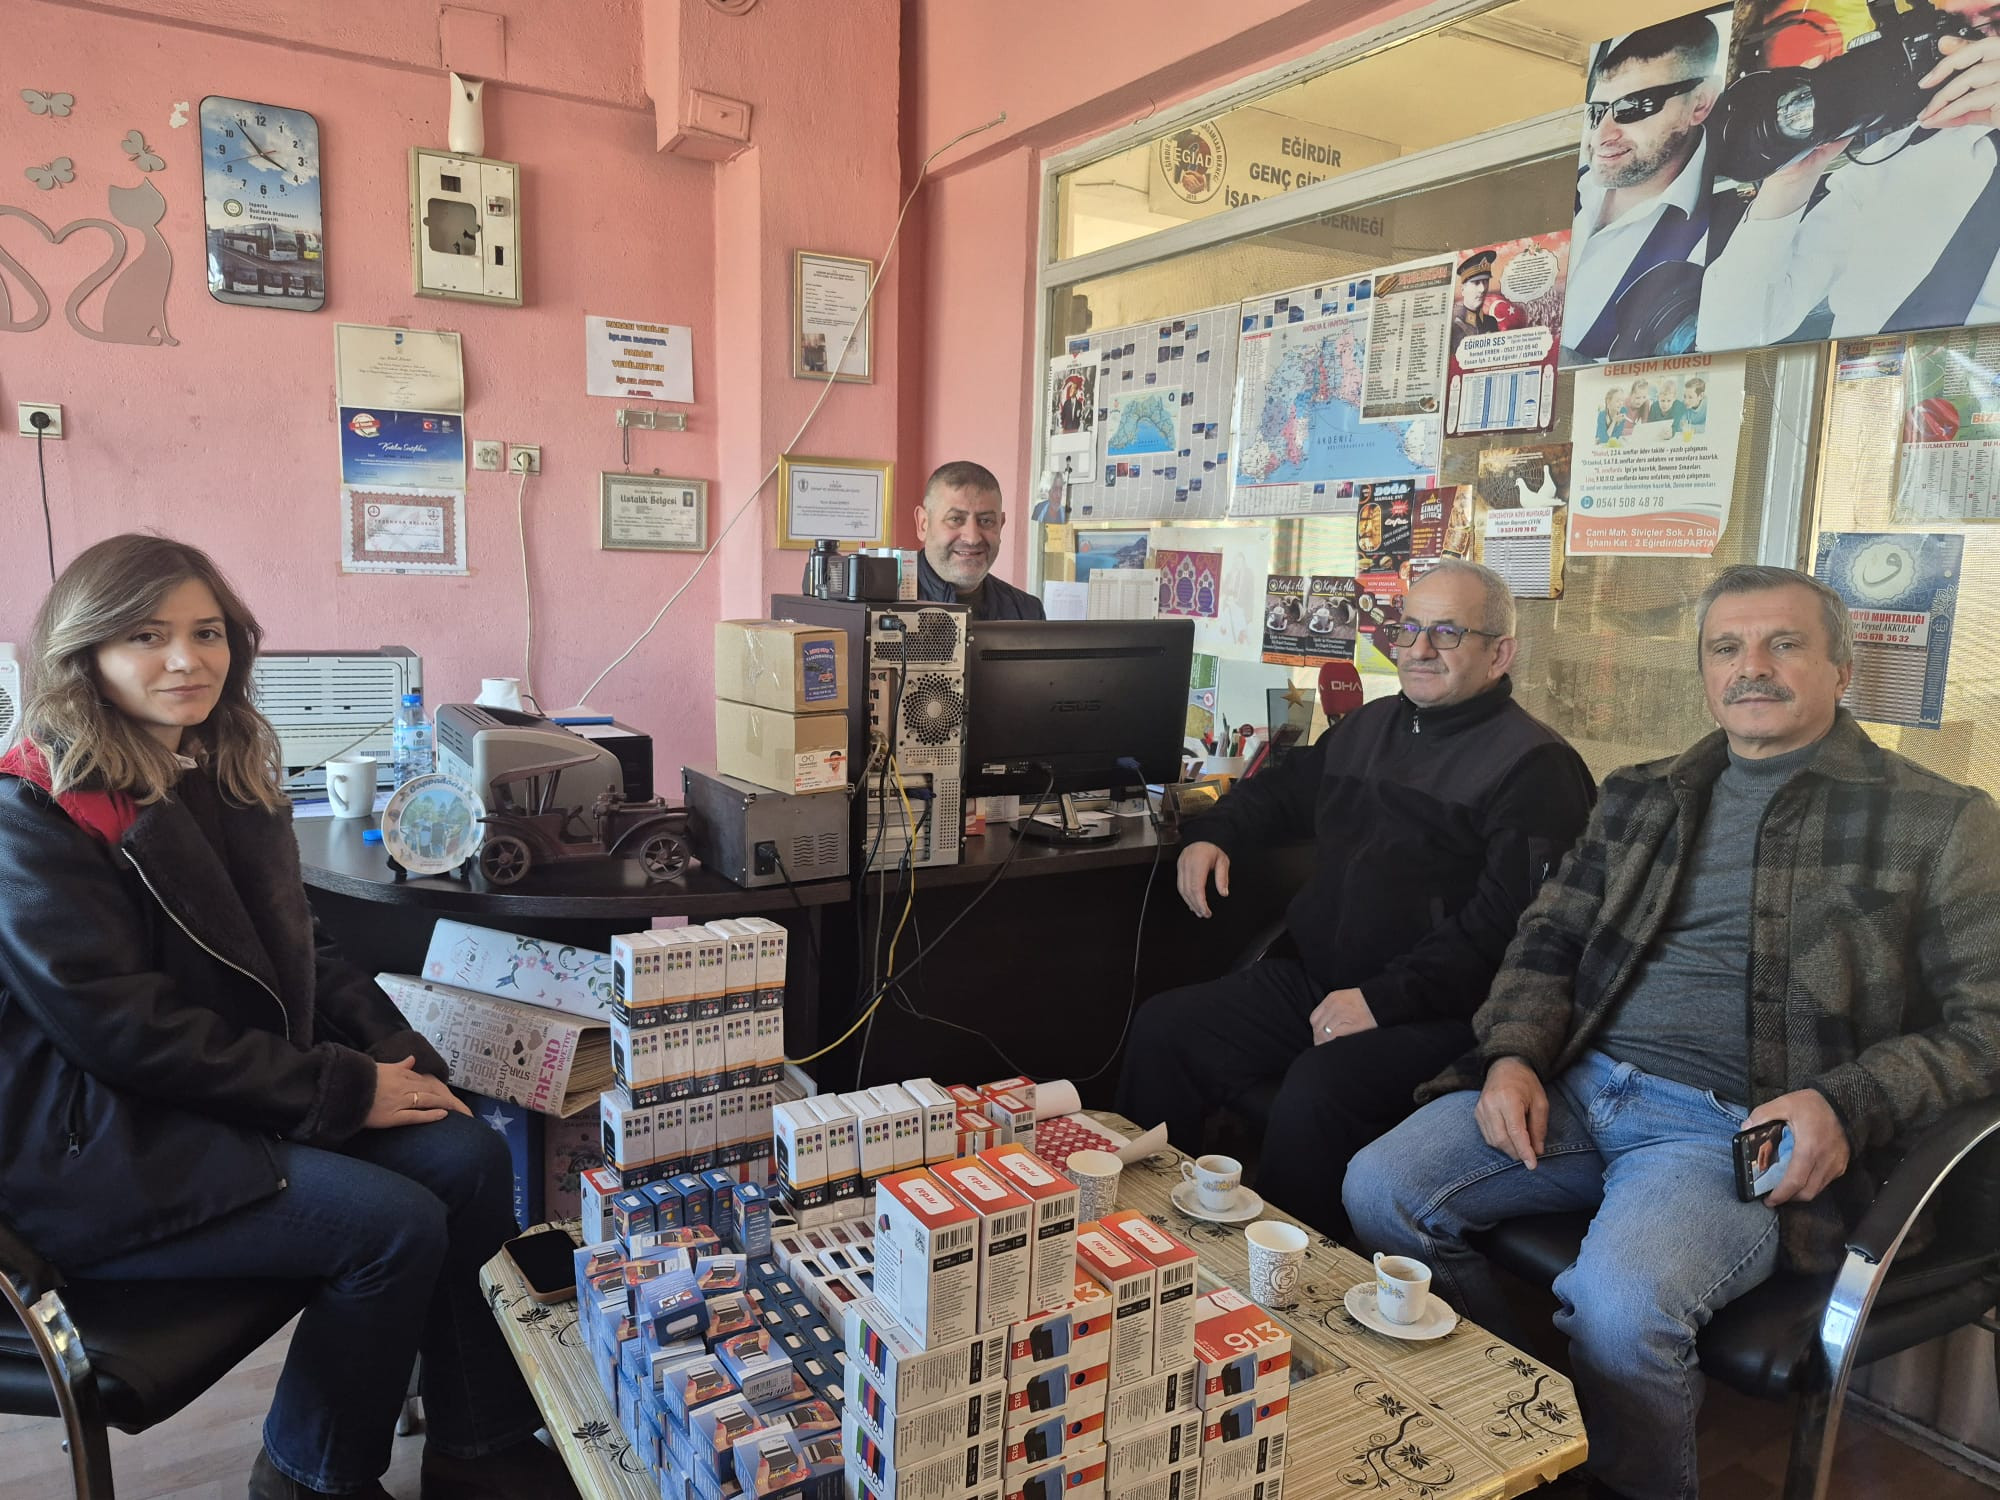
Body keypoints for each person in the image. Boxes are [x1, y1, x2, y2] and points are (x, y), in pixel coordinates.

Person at [1344, 565, 2000, 1500]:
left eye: (1784, 644)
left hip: (1728, 1131)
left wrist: (1846, 1100)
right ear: (1705, 672)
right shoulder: (1642, 794)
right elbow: (1548, 938)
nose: (1751, 666)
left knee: (1621, 1314)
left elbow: (1988, 1022)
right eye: (1727, 647)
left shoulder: (1940, 820)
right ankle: (1519, 1429)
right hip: (1580, 1084)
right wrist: (1513, 1055)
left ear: (1842, 670)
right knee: (1381, 1188)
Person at [0, 535, 576, 1500]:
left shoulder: (211, 768)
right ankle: (309, 1478)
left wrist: (396, 1056)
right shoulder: (37, 807)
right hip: (100, 1149)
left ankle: (479, 1445)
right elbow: (121, 1028)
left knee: (468, 1156)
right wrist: (341, 1091)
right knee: (391, 1226)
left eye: (207, 633)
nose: (186, 659)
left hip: (210, 1103)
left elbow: (307, 946)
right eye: (146, 635)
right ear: (83, 651)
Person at [1115, 561, 1595, 1237]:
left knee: (1320, 1090)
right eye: (1408, 629)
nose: (1419, 649)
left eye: (1447, 632)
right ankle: (1142, 1231)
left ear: (1499, 653)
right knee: (1168, 1029)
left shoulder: (1535, 767)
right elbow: (1279, 791)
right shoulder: (1371, 726)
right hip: (1323, 982)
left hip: (1446, 1014)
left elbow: (1507, 932)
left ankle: (1288, 1278)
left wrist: (1381, 1000)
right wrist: (1214, 832)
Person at [1698, 2, 2000, 347]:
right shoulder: (1890, 160)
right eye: (1951, 25)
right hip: (1861, 380)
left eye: (1995, 21)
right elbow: (1729, 332)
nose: (1967, 47)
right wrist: (1791, 177)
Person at [1563, 15, 1729, 362]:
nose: (1602, 135)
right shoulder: (1566, 190)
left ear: (1700, 103)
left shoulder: (1725, 225)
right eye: (1597, 112)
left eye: (1633, 107)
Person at [913, 459, 1045, 620]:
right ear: (923, 524)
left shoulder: (1027, 613)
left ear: (1001, 526)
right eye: (955, 519)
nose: (973, 538)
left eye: (986, 521)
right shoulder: (885, 604)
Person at [1450, 249, 1499, 358]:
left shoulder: (1491, 322)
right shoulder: (1453, 326)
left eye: (1486, 281)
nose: (1483, 289)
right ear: (1463, 289)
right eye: (1476, 283)